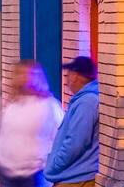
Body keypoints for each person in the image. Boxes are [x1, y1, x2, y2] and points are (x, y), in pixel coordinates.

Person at [0, 60, 62, 187]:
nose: (25, 78)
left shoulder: (50, 105)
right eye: (20, 74)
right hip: (6, 172)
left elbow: (61, 138)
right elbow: (4, 134)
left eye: (30, 74)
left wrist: (49, 165)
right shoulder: (12, 104)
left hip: (34, 175)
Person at [43, 56, 100, 187]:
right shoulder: (84, 100)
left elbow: (75, 142)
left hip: (75, 179)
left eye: (68, 75)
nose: (67, 79)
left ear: (75, 76)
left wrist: (54, 165)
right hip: (73, 177)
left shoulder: (87, 102)